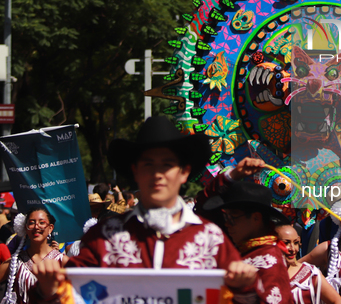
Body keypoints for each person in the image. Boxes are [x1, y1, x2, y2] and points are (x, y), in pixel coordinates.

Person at [31, 116, 257, 301]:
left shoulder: (210, 238)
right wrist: (48, 289)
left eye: (167, 164)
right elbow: (74, 294)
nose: (158, 173)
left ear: (184, 172)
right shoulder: (105, 236)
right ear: (136, 171)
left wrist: (244, 289)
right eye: (148, 164)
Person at [203, 179, 294, 304]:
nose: (227, 224)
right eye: (226, 217)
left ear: (256, 218)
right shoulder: (245, 251)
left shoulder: (269, 257)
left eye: (233, 217)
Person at [0, 206, 68, 304]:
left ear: (50, 228)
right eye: (31, 223)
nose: (36, 226)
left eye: (42, 222)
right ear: (25, 228)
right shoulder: (15, 262)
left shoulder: (62, 261)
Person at [275, 224, 341, 304]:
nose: (293, 249)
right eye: (286, 243)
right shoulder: (263, 274)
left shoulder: (311, 274)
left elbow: (336, 301)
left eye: (296, 243)